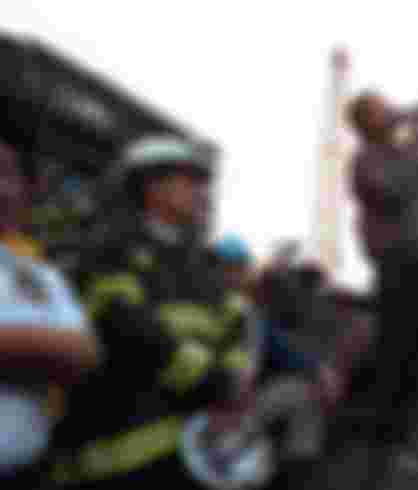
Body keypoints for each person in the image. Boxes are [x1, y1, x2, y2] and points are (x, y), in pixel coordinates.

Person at [49, 136, 256, 490]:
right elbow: (126, 330)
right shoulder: (108, 250)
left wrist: (234, 377)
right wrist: (212, 381)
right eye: (189, 181)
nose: (200, 192)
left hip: (193, 448)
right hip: (118, 452)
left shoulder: (202, 266)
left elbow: (235, 326)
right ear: (152, 187)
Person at [348, 89, 418, 488]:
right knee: (397, 355)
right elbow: (391, 192)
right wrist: (415, 142)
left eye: (389, 105)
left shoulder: (404, 154)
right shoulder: (364, 161)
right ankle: (388, 447)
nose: (394, 110)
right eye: (381, 109)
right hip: (397, 267)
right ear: (364, 123)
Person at [0, 141, 101, 489]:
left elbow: (85, 353)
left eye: (8, 173)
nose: (3, 188)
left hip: (29, 471)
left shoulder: (42, 274)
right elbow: (64, 352)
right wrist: (44, 353)